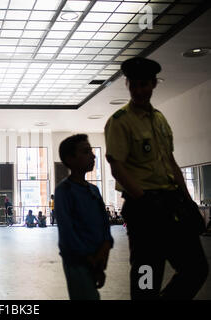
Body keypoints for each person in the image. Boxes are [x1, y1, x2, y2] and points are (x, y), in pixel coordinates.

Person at [104, 56, 208, 300]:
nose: (139, 90)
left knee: (196, 268)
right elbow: (117, 167)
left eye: (144, 84)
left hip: (172, 204)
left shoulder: (160, 119)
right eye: (134, 84)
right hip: (144, 210)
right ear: (127, 84)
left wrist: (188, 200)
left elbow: (170, 162)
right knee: (147, 275)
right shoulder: (120, 122)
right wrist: (144, 201)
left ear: (154, 84)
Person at [55, 134, 114, 300]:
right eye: (86, 151)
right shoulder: (64, 191)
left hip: (97, 259)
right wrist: (89, 259)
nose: (93, 155)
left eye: (91, 151)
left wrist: (104, 249)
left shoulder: (94, 190)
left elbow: (105, 224)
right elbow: (67, 232)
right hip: (77, 262)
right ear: (70, 159)